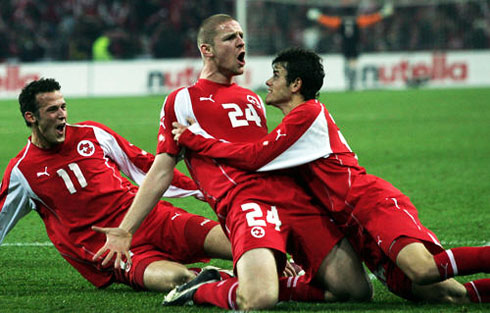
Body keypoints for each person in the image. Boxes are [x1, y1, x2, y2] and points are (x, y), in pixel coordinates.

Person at [94, 14, 372, 310]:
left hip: (290, 200)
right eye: (230, 38)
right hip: (246, 203)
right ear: (207, 50)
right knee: (258, 299)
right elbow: (162, 170)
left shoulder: (253, 99)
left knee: (355, 290)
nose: (241, 42)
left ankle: (259, 280)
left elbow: (265, 155)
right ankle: (203, 288)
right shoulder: (183, 99)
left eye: (241, 37)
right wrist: (126, 229)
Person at [172, 47, 490, 303]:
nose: (268, 82)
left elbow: (254, 157)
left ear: (296, 84)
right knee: (446, 294)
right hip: (354, 226)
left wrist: (194, 139)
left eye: (276, 75)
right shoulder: (292, 123)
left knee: (422, 270)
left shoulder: (307, 113)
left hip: (370, 204)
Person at [0, 78, 233, 293]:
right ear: (31, 117)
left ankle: (250, 275)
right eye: (52, 110)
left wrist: (199, 189)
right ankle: (239, 281)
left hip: (150, 218)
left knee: (238, 243)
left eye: (63, 106)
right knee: (178, 279)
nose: (62, 115)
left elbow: (144, 165)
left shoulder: (92, 133)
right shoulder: (22, 172)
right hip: (113, 249)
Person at [307, 3, 393, 90]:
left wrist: (318, 16)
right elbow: (370, 20)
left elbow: (329, 22)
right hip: (355, 45)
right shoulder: (357, 21)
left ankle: (349, 81)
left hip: (345, 45)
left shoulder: (340, 21)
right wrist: (382, 13)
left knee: (347, 63)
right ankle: (353, 82)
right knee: (353, 64)